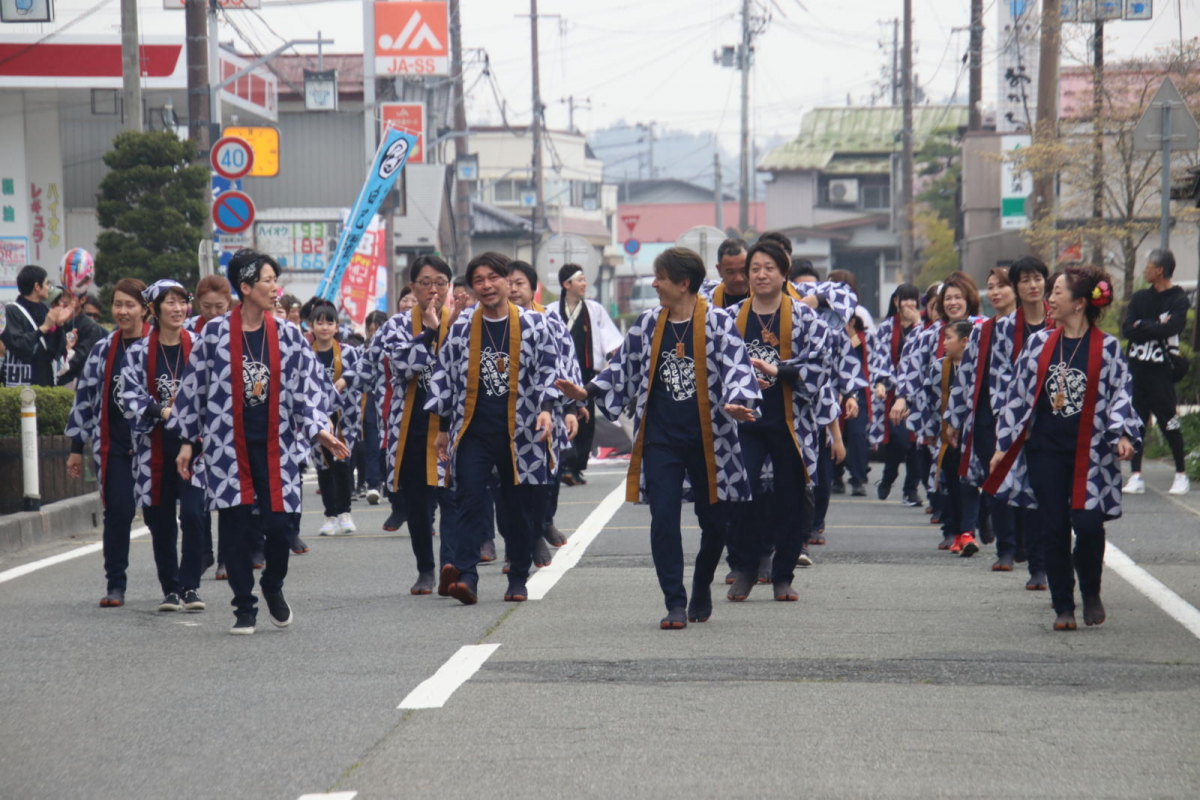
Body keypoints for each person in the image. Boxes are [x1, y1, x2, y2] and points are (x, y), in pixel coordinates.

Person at [556, 247, 761, 629]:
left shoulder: (717, 323)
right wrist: (585, 392)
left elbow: (738, 370)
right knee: (662, 518)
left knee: (715, 523)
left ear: (683, 283)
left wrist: (736, 402)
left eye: (660, 277)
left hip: (710, 438)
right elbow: (621, 368)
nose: (654, 284)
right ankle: (675, 601)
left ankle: (702, 584)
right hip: (660, 437)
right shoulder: (649, 323)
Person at [169, 249, 345, 635]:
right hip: (227, 448)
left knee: (280, 525)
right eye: (267, 280)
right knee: (235, 527)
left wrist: (320, 428)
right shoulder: (213, 334)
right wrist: (187, 442)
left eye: (274, 280)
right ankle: (243, 606)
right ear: (246, 287)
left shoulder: (288, 335)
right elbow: (193, 390)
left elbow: (307, 390)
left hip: (276, 447)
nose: (275, 288)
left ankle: (272, 584)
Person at [987, 266, 1140, 631]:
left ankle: (1090, 590)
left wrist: (1122, 434)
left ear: (1079, 303)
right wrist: (1003, 444)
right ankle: (1063, 605)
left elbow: (1122, 393)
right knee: (1052, 526)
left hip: (1092, 455)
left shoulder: (1108, 347)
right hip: (1045, 452)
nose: (1049, 298)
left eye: (1057, 292)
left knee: (1088, 526)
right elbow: (1017, 396)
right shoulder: (1039, 344)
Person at [426, 252, 558, 606]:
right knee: (469, 497)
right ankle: (466, 575)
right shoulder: (464, 326)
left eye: (492, 278)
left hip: (522, 432)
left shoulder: (533, 325)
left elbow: (548, 371)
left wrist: (547, 410)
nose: (485, 286)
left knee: (518, 508)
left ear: (506, 280)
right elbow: (445, 377)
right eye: (478, 280)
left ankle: (518, 578)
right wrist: (441, 427)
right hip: (474, 429)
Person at [725, 239, 831, 606]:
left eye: (769, 267)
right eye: (754, 268)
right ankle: (745, 568)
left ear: (784, 273)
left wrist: (779, 369)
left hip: (790, 420)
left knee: (790, 498)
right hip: (746, 421)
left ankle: (783, 575)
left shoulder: (803, 316)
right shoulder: (732, 317)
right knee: (742, 492)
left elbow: (820, 364)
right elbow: (714, 366)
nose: (761, 274)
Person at [118, 280, 208, 613]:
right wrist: (162, 409)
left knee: (195, 515)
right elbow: (127, 396)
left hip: (194, 447)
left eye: (182, 301)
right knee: (160, 520)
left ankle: (191, 585)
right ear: (153, 310)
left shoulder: (199, 345)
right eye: (168, 302)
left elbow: (214, 392)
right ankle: (170, 588)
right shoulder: (140, 351)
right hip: (153, 446)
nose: (177, 308)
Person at [65, 278, 149, 607]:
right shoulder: (105, 348)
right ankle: (116, 584)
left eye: (130, 304)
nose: (123, 311)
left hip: (152, 445)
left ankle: (176, 585)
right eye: (118, 304)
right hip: (113, 444)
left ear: (145, 309)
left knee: (159, 516)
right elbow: (85, 398)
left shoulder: (158, 346)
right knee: (118, 512)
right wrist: (76, 448)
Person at [947, 268, 1018, 567]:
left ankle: (1029, 547)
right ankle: (1006, 548)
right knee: (996, 481)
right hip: (990, 417)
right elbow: (965, 375)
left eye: (1002, 285)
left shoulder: (1041, 329)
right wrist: (954, 417)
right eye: (992, 287)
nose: (997, 291)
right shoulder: (982, 330)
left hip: (1028, 418)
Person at [509, 259, 579, 555]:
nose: (512, 290)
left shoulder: (550, 321)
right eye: (508, 283)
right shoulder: (486, 323)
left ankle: (543, 523)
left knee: (547, 474)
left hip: (546, 412)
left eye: (519, 283)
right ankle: (517, 546)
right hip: (505, 416)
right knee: (507, 483)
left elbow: (567, 364)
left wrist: (573, 408)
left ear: (533, 288)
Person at [1121, 248, 1191, 496]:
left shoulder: (1178, 299)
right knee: (1136, 422)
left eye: (1148, 266)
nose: (1144, 270)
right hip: (1137, 369)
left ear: (1159, 270)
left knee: (1168, 421)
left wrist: (1143, 325)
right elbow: (1127, 329)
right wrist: (1151, 325)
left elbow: (1173, 327)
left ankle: (1181, 474)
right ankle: (1136, 475)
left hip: (1162, 371)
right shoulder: (1140, 297)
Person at [547, 263, 622, 487]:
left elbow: (609, 335)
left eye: (584, 280)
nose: (584, 284)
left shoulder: (594, 309)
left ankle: (576, 466)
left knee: (585, 420)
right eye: (579, 280)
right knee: (561, 417)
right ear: (566, 284)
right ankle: (564, 465)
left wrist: (611, 354)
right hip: (560, 375)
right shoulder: (550, 310)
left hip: (587, 376)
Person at [186, 274, 235, 579]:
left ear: (229, 304)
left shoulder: (239, 330)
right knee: (196, 494)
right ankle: (203, 552)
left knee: (228, 494)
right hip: (195, 419)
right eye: (207, 307)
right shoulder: (189, 331)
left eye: (220, 307)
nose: (214, 313)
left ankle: (226, 558)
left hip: (228, 421)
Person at [309, 302, 363, 537]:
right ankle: (330, 515)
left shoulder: (348, 351)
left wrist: (345, 379)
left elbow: (362, 368)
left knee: (342, 464)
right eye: (319, 322)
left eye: (329, 322)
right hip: (316, 417)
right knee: (323, 466)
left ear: (337, 326)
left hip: (345, 418)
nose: (324, 327)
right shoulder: (306, 352)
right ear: (311, 325)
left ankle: (344, 513)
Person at [873, 284, 923, 506]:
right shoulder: (886, 328)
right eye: (906, 299)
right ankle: (888, 476)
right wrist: (881, 382)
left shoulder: (924, 327)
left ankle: (910, 490)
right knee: (901, 440)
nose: (910, 304)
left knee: (916, 443)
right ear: (896, 302)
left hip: (919, 392)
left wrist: (918, 324)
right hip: (895, 391)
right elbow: (879, 358)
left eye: (913, 299)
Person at [934, 320, 976, 556]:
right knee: (950, 485)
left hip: (971, 434)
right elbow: (931, 401)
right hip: (947, 436)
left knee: (970, 483)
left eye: (948, 338)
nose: (944, 343)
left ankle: (969, 531)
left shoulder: (979, 366)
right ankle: (954, 531)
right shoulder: (939, 367)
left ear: (965, 342)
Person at [5, 265, 71, 387]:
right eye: (46, 284)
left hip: (45, 382)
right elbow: (18, 345)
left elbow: (56, 352)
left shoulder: (46, 309)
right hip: (21, 383)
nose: (48, 288)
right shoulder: (12, 311)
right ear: (37, 286)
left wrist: (59, 325)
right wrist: (44, 328)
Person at [700, 237, 750, 308]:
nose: (738, 279)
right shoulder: (705, 304)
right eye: (730, 272)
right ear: (719, 270)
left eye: (743, 270)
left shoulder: (764, 299)